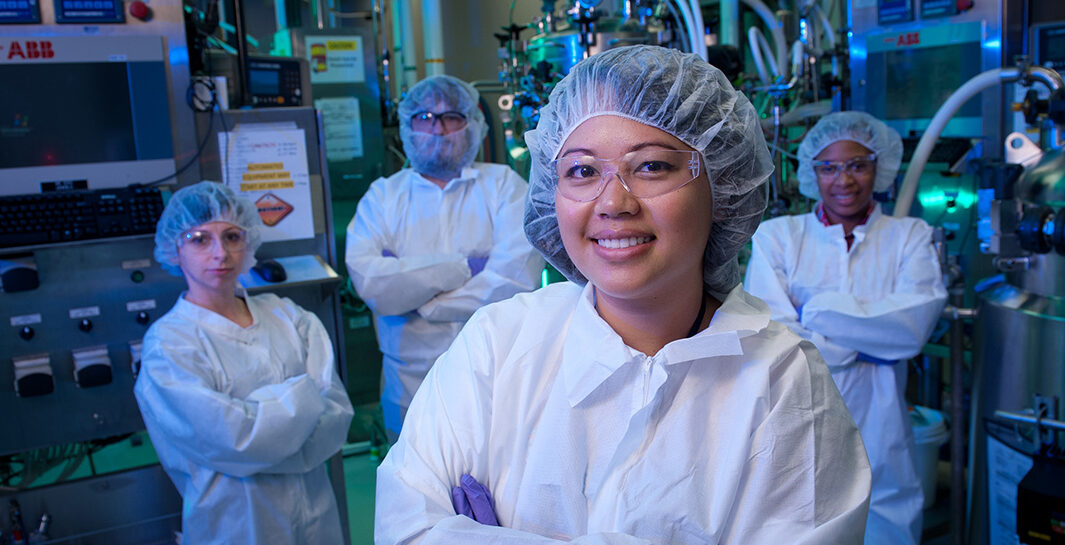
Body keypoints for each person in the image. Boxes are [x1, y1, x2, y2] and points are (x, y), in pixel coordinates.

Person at [374, 45, 872, 544]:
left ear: (721, 184)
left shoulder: (783, 380)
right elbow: (406, 530)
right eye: (582, 171)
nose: (613, 202)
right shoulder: (498, 344)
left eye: (652, 166)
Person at [744, 111, 948, 545]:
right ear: (810, 173)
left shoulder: (910, 236)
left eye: (858, 165)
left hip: (883, 420)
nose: (844, 180)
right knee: (798, 519)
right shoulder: (777, 237)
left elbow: (912, 330)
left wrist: (814, 311)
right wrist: (871, 343)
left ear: (881, 167)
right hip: (797, 410)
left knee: (886, 521)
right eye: (829, 167)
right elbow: (776, 338)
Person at [134, 182, 354, 545]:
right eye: (200, 239)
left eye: (233, 236)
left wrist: (262, 423)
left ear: (248, 242)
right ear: (176, 248)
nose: (220, 252)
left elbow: (336, 415)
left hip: (317, 518)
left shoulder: (289, 317)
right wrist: (303, 398)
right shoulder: (169, 344)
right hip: (235, 524)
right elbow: (233, 439)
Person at [345, 74, 544, 442]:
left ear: (474, 125)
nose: (437, 129)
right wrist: (466, 267)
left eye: (452, 117)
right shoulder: (383, 197)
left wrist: (419, 297)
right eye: (424, 117)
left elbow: (514, 280)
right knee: (416, 492)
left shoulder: (503, 186)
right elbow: (374, 285)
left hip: (495, 375)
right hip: (409, 384)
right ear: (406, 126)